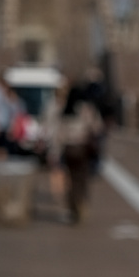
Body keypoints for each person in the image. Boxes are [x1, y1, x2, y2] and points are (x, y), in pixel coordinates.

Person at [55, 82, 104, 224]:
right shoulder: (86, 109)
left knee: (70, 179)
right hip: (81, 148)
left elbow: (59, 133)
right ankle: (81, 205)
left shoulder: (65, 110)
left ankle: (73, 208)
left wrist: (56, 151)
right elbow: (96, 128)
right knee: (82, 179)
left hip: (68, 149)